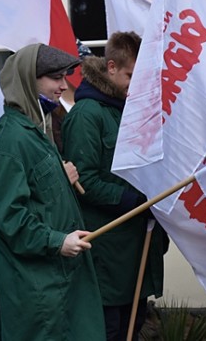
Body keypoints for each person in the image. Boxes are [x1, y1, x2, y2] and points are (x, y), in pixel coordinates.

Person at [0, 43, 105, 340]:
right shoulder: (9, 140)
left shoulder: (33, 132)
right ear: (27, 80)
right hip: (38, 291)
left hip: (56, 284)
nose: (64, 86)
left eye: (64, 77)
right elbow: (8, 217)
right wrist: (57, 241)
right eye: (55, 78)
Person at [62, 32, 168, 340]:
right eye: (130, 76)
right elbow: (85, 180)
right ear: (110, 67)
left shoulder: (129, 109)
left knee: (131, 326)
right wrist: (135, 201)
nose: (136, 84)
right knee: (109, 329)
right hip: (107, 246)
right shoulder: (87, 115)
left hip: (135, 245)